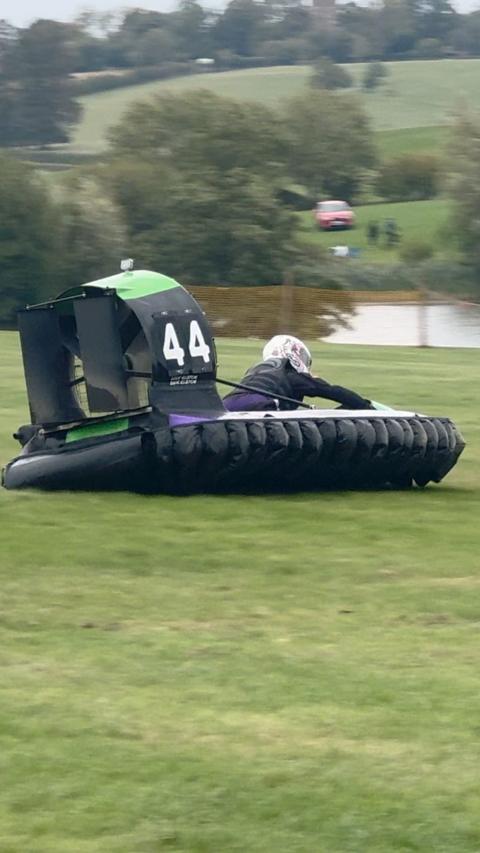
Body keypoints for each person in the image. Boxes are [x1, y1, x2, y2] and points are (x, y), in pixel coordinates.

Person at [223, 335, 372, 412]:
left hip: (226, 405)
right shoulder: (291, 375)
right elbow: (332, 391)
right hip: (261, 407)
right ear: (293, 353)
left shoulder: (254, 370)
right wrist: (365, 407)